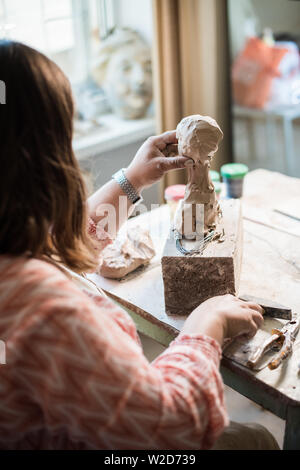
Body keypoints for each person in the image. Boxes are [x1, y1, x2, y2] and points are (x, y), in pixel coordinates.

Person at [0, 40, 279, 450]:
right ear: (44, 160)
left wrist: (132, 181)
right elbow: (169, 429)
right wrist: (206, 326)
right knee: (256, 441)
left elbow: (58, 247)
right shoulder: (46, 312)